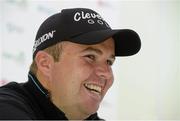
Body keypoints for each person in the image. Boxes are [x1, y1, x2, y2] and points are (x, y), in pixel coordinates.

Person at [0, 8, 141, 120]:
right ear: (45, 64)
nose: (106, 73)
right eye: (90, 56)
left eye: (109, 62)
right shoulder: (6, 109)